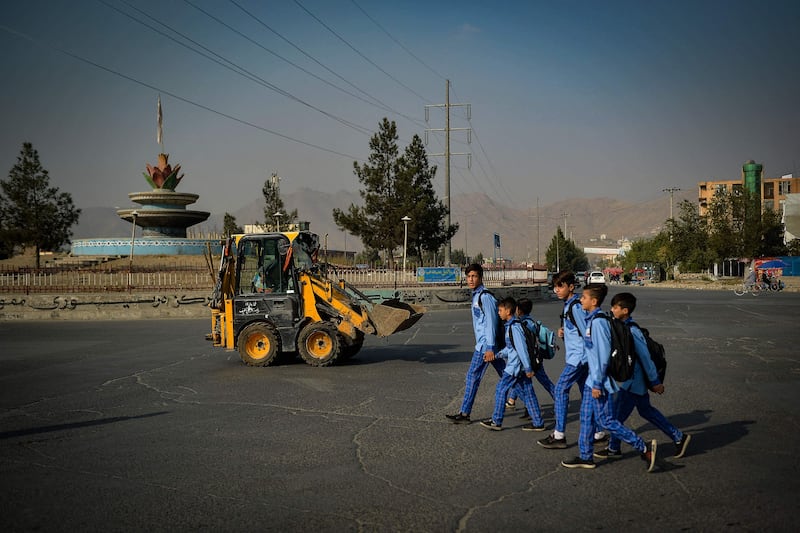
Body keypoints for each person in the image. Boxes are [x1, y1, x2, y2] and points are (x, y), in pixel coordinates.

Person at [560, 283, 657, 471]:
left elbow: (603, 356)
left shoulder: (598, 322)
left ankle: (643, 447)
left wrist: (597, 383)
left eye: (585, 298)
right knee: (586, 417)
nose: (581, 300)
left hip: (599, 382)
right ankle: (586, 456)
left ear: (594, 301)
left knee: (606, 421)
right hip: (592, 381)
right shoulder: (593, 319)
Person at [595, 292, 691, 460]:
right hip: (632, 382)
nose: (612, 310)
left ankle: (615, 448)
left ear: (625, 310)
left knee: (616, 417)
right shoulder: (623, 328)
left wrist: (655, 381)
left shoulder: (632, 331)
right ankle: (678, 437)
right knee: (645, 412)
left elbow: (646, 358)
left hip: (633, 383)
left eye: (615, 307)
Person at [538, 271, 606, 449]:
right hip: (580, 358)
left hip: (579, 359)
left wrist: (589, 360)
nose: (557, 290)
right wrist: (564, 332)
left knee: (560, 390)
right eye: (555, 286)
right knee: (586, 394)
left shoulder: (575, 306)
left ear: (571, 287)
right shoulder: (570, 305)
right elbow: (576, 328)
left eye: (561, 286)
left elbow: (587, 334)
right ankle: (599, 432)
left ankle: (559, 434)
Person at [446, 264, 505, 424]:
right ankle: (530, 406)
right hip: (486, 345)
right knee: (508, 376)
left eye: (474, 276)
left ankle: (465, 413)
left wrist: (490, 347)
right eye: (468, 276)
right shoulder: (477, 295)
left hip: (486, 346)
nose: (471, 279)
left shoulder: (485, 297)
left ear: (480, 277)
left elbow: (491, 324)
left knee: (473, 376)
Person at [479, 297, 546, 432]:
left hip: (515, 367)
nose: (498, 313)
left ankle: (496, 421)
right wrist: (496, 355)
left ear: (508, 311)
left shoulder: (514, 328)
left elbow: (521, 349)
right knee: (528, 393)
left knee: (500, 390)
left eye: (500, 310)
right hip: (519, 367)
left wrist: (528, 367)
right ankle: (538, 422)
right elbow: (510, 349)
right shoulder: (512, 326)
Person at [505, 298, 555, 422]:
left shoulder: (525, 324)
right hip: (532, 358)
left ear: (519, 310)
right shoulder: (528, 322)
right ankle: (519, 404)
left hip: (532, 360)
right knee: (523, 382)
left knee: (544, 382)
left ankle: (559, 401)